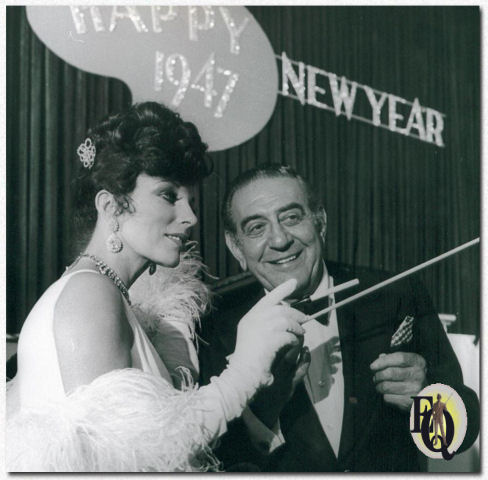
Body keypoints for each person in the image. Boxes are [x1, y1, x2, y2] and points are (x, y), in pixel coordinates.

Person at [6, 105, 308, 472]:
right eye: (168, 195)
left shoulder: (103, 293)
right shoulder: (90, 295)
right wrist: (242, 372)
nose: (191, 217)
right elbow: (128, 462)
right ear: (111, 206)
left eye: (191, 201)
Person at [199, 164, 480, 472]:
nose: (279, 240)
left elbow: (460, 436)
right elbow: (213, 463)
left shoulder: (397, 294)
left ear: (320, 222)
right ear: (236, 247)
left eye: (291, 217)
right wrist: (265, 409)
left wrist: (429, 403)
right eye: (256, 227)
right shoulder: (215, 327)